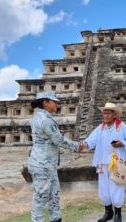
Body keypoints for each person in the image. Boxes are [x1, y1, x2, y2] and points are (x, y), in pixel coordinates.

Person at [28, 92, 85, 222]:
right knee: (41, 198)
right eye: (55, 102)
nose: (57, 104)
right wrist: (77, 146)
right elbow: (58, 140)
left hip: (47, 164)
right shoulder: (45, 120)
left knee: (54, 195)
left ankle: (56, 219)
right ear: (45, 103)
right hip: (42, 164)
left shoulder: (39, 117)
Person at [81, 103, 126, 222]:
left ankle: (118, 213)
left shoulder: (121, 126)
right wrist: (84, 144)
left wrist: (122, 143)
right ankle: (108, 212)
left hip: (117, 163)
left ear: (114, 115)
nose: (105, 115)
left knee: (117, 186)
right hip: (102, 162)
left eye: (108, 113)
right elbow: (91, 140)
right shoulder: (100, 127)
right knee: (103, 188)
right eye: (104, 113)